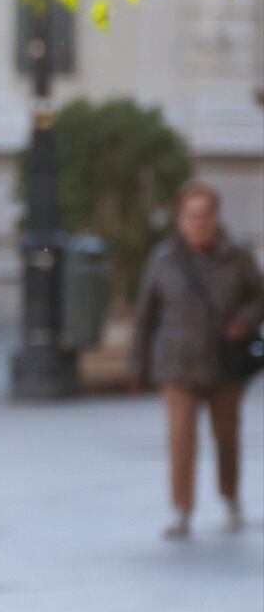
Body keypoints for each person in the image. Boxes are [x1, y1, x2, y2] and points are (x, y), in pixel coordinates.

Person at [131, 182, 264, 539]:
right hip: (178, 365)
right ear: (180, 219)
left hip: (224, 365)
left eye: (204, 215)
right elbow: (145, 317)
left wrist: (246, 321)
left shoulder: (237, 256)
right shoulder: (163, 259)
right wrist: (138, 367)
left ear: (216, 218)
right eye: (191, 216)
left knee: (226, 437)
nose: (198, 223)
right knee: (181, 439)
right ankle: (181, 509)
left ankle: (231, 497)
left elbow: (259, 296)